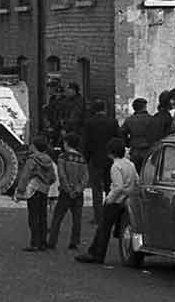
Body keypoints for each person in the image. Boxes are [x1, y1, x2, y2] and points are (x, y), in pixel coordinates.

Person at [76, 137, 138, 265]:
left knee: (104, 228)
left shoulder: (115, 166)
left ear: (110, 152)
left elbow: (118, 186)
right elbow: (137, 180)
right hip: (127, 199)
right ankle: (94, 251)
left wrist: (110, 198)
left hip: (115, 201)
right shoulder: (130, 164)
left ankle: (97, 254)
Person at [15, 134, 57, 252]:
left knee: (33, 217)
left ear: (34, 147)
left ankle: (34, 242)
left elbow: (25, 176)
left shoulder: (32, 160)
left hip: (33, 190)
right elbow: (53, 177)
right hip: (44, 190)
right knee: (42, 216)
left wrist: (20, 190)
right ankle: (43, 243)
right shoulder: (49, 160)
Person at [48, 131, 88, 250]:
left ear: (66, 143)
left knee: (58, 217)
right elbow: (85, 177)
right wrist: (78, 189)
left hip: (66, 192)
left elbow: (61, 174)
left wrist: (68, 188)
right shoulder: (82, 159)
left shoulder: (62, 157)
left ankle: (52, 241)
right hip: (78, 193)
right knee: (77, 219)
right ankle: (74, 242)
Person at [82, 99, 120, 224]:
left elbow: (86, 143)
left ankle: (98, 217)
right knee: (111, 188)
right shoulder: (112, 122)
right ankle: (110, 215)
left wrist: (86, 158)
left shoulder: (90, 123)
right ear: (104, 108)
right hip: (110, 159)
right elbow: (118, 139)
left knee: (96, 190)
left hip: (95, 159)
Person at [120, 98, 157, 171]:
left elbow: (122, 133)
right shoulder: (151, 119)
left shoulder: (129, 120)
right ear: (144, 107)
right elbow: (156, 134)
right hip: (148, 150)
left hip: (134, 150)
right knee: (146, 172)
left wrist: (127, 143)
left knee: (136, 172)